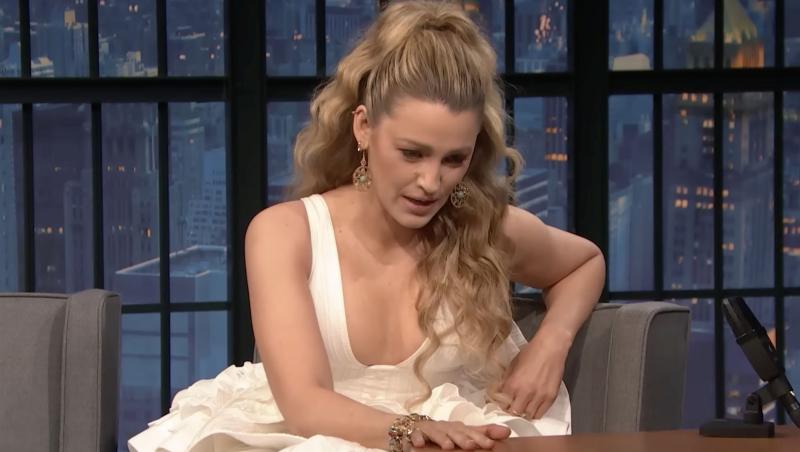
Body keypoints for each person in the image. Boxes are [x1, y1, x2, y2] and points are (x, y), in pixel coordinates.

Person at [129, 1, 605, 451]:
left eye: (454, 159)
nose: (431, 182)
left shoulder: (483, 226)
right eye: (412, 153)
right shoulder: (285, 234)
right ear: (363, 128)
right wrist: (415, 431)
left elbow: (584, 263)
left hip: (454, 436)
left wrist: (551, 344)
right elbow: (305, 405)